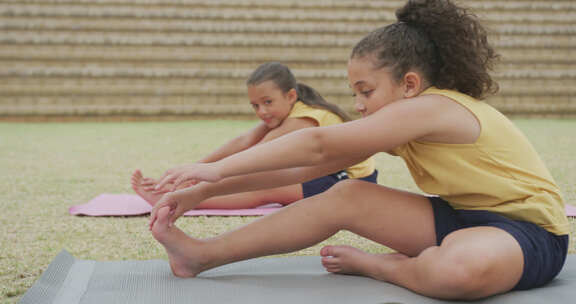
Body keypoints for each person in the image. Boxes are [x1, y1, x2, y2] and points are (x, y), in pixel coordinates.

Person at [146, 0, 569, 300]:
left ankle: (386, 266)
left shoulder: (434, 108)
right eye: (355, 93)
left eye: (365, 91)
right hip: (463, 220)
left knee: (458, 271)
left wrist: (215, 170)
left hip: (531, 235)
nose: (359, 104)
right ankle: (198, 256)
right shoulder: (405, 119)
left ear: (409, 84)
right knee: (345, 194)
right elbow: (308, 169)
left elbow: (317, 143)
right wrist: (203, 193)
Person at [131, 62, 377, 208]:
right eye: (255, 106)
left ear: (291, 96)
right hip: (327, 173)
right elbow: (243, 141)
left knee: (264, 186)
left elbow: (257, 157)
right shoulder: (285, 113)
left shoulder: (304, 118)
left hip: (350, 182)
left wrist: (191, 183)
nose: (262, 111)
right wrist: (194, 169)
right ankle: (181, 193)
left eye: (268, 102)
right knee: (260, 177)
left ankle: (178, 200)